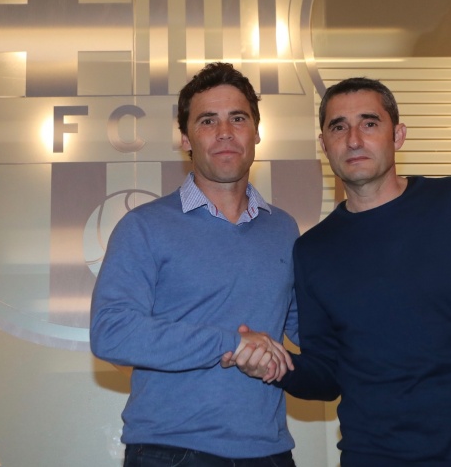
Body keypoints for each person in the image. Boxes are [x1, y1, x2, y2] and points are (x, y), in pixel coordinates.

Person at [224, 77, 451, 466]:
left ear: (397, 135)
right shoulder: (313, 250)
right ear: (324, 145)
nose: (353, 140)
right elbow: (328, 375)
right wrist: (276, 364)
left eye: (369, 123)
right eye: (338, 127)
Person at [90, 62, 299, 467]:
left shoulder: (284, 229)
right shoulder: (144, 227)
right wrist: (230, 343)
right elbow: (112, 333)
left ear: (256, 132)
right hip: (170, 452)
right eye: (207, 121)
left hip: (270, 452)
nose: (225, 132)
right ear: (186, 138)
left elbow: (312, 328)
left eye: (238, 118)